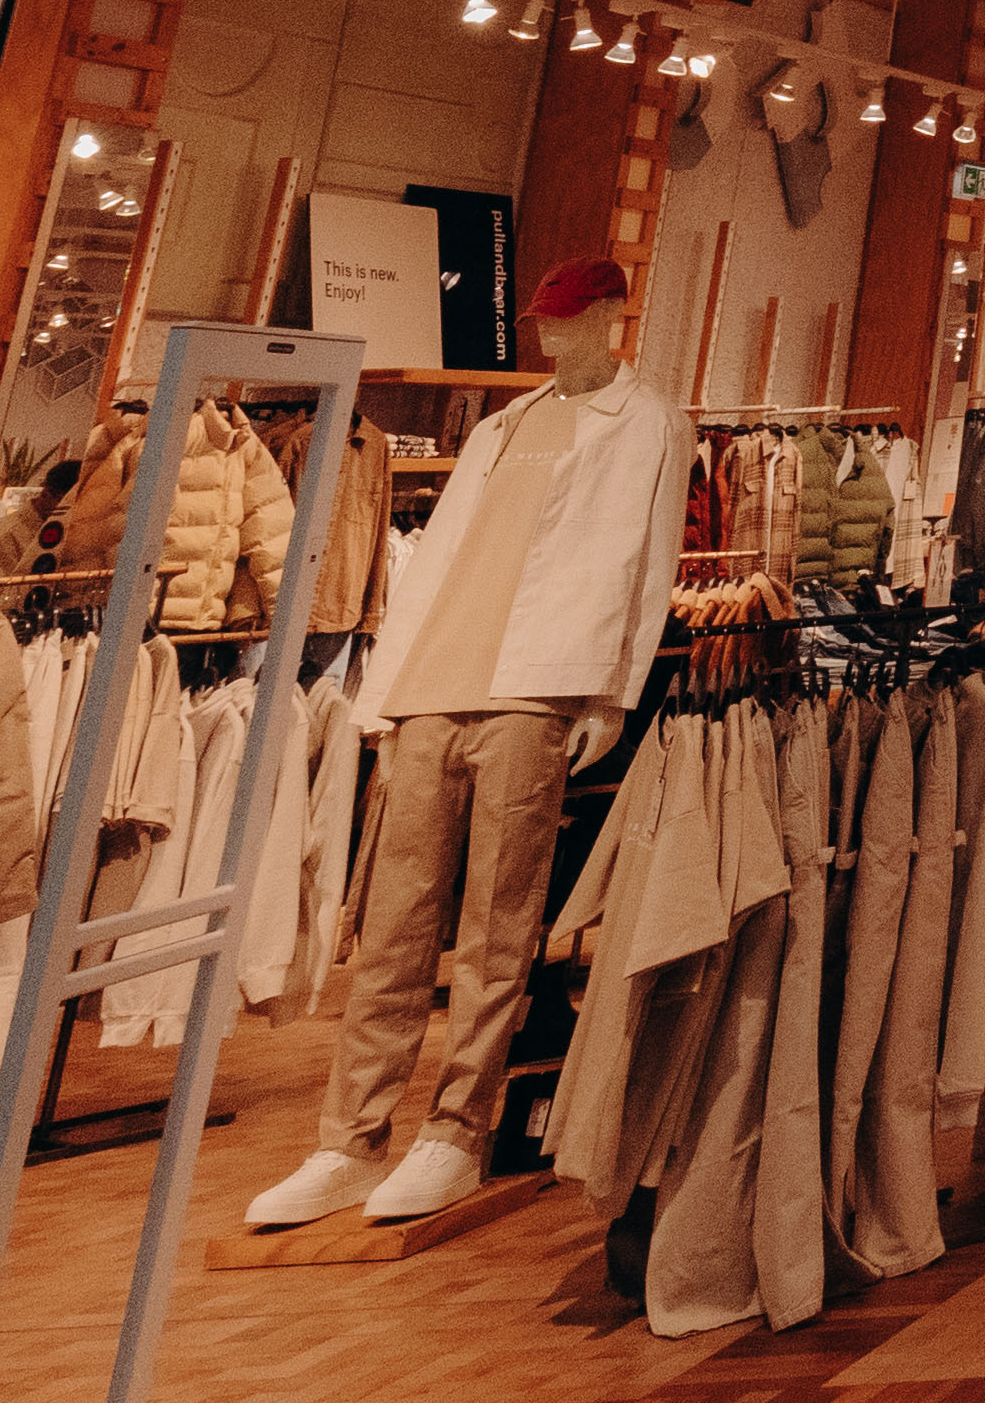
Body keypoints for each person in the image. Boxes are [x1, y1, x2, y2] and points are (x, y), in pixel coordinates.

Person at [249, 255, 685, 1228]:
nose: (553, 334)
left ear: (613, 316)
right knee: (393, 927)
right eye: (546, 319)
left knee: (498, 928)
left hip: (540, 684)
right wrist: (386, 694)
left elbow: (647, 561)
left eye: (571, 317)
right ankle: (348, 1142)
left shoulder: (650, 422)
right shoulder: (502, 424)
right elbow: (441, 553)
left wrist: (611, 694)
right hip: (433, 684)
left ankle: (455, 1133)